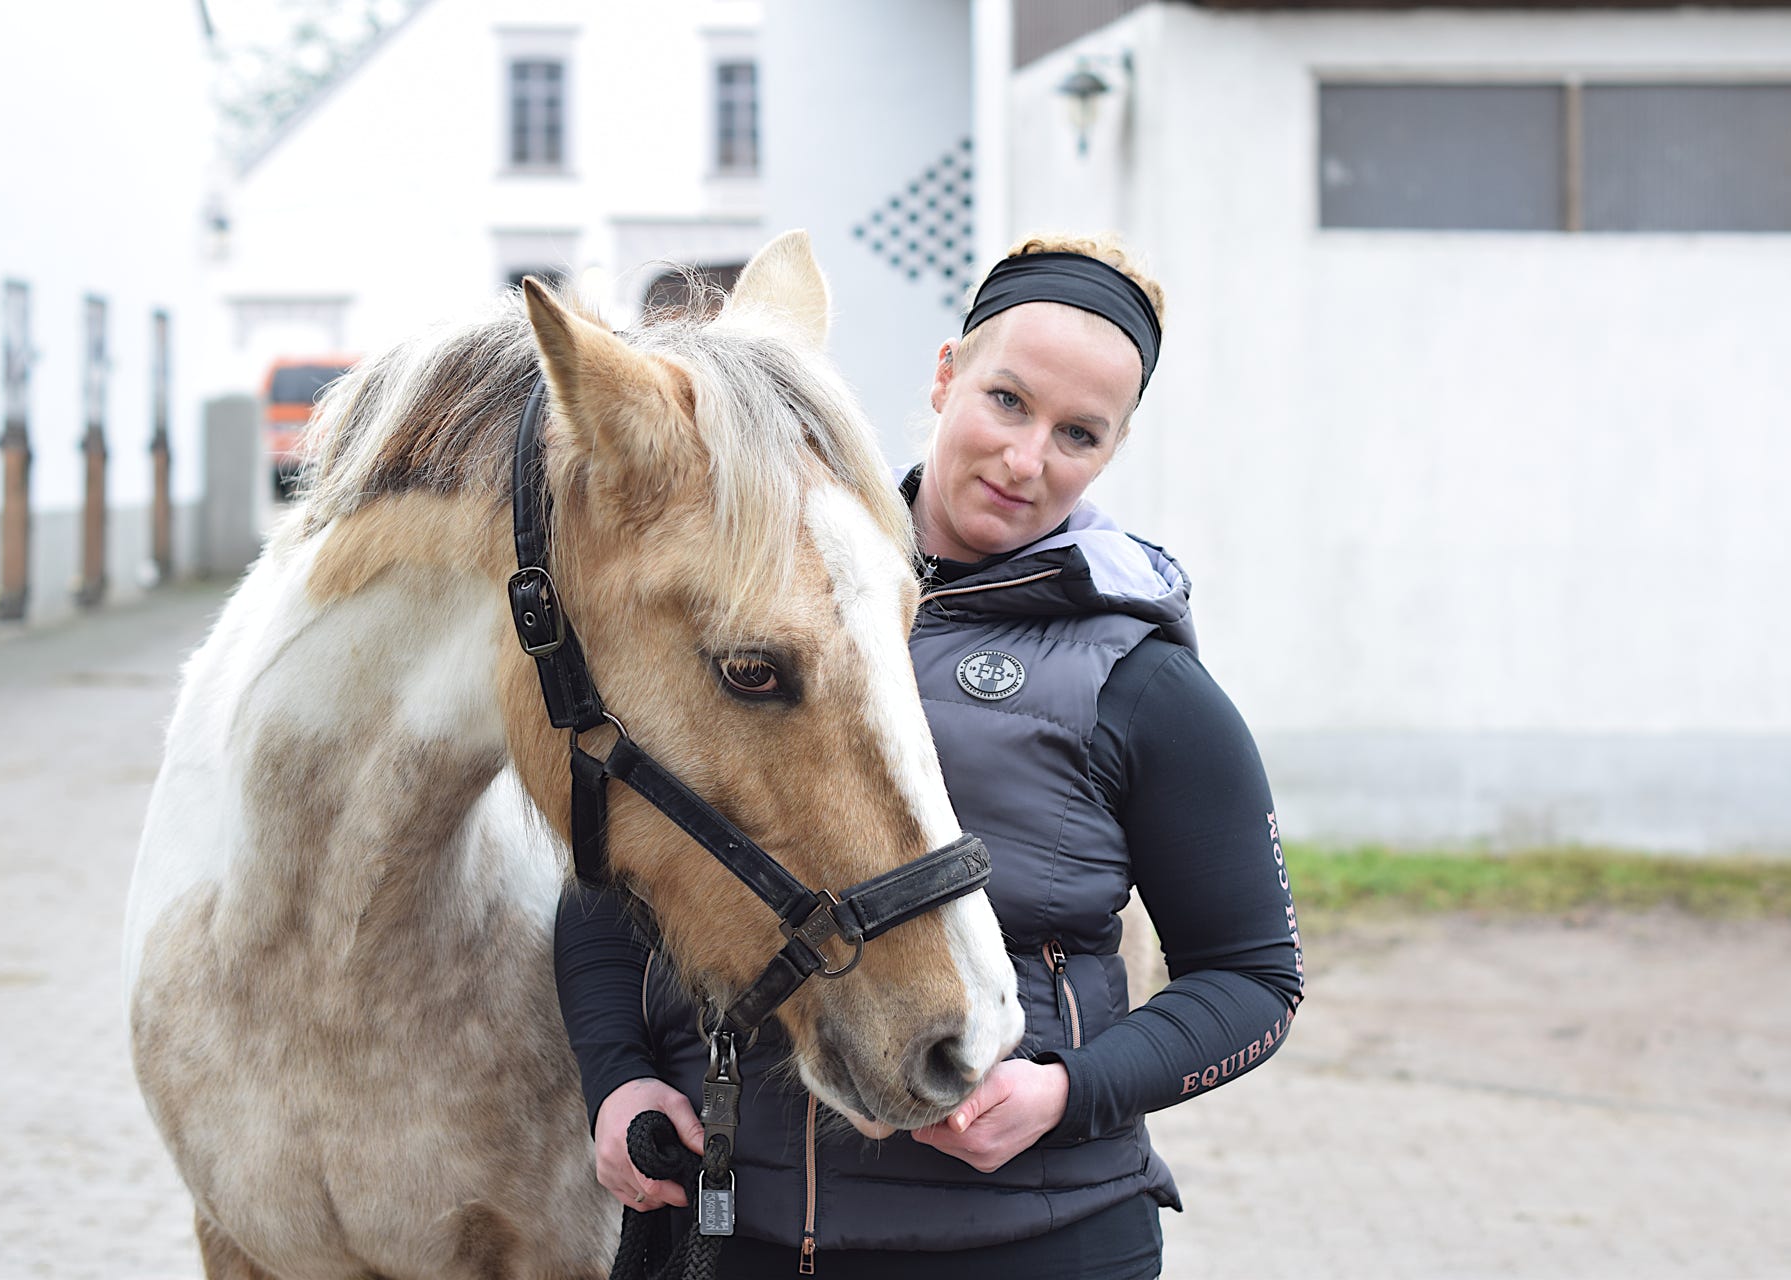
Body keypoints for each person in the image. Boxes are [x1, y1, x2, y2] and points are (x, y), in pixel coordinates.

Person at [556, 234, 1304, 1279]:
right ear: (947, 375)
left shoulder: (1140, 679)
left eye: (1078, 432)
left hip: (1032, 1243)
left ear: (1113, 449)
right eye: (1008, 401)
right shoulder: (757, 606)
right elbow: (618, 867)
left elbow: (1255, 977)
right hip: (742, 1238)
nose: (1026, 458)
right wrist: (619, 1079)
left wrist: (1065, 1091)